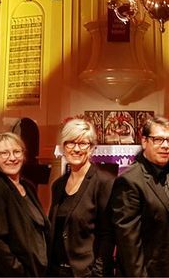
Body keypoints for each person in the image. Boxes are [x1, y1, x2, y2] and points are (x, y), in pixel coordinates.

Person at [110, 116, 169, 277]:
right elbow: (129, 244)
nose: (165, 146)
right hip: (152, 271)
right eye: (158, 139)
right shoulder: (130, 181)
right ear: (144, 141)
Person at [48, 118, 114, 277]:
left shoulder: (103, 182)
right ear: (63, 146)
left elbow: (108, 235)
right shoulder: (58, 185)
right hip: (57, 271)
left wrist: (97, 273)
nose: (76, 149)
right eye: (71, 143)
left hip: (85, 273)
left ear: (91, 148)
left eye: (83, 143)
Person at [0, 132, 51, 277]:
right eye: (4, 153)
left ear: (23, 155)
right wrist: (20, 271)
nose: (12, 158)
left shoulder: (27, 186)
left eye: (16, 152)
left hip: (36, 271)